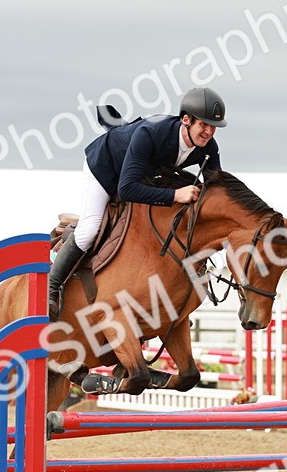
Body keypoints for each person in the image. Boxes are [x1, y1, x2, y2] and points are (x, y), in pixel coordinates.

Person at [47, 86, 227, 320]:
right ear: (186, 120)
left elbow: (216, 189)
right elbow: (126, 189)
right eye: (203, 124)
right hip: (105, 169)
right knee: (90, 229)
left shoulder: (208, 148)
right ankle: (51, 287)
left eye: (213, 126)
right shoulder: (151, 133)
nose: (209, 131)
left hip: (140, 175)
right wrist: (176, 195)